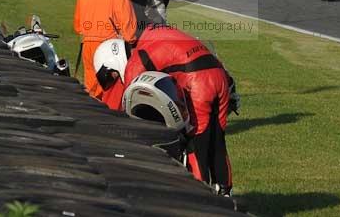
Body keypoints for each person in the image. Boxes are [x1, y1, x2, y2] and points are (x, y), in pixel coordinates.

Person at [94, 26, 237, 196]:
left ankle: (200, 195)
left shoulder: (136, 59)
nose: (115, 79)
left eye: (112, 76)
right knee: (217, 138)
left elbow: (130, 103)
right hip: (219, 75)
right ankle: (225, 190)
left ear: (113, 61)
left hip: (197, 81)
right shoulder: (152, 35)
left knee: (196, 142)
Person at [73, 0, 137, 101]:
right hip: (109, 47)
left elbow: (78, 26)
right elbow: (128, 25)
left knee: (91, 87)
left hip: (88, 44)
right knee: (109, 91)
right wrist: (130, 42)